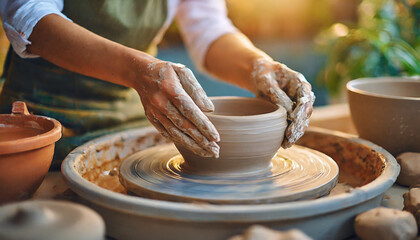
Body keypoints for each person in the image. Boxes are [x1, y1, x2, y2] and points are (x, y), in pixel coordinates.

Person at [0, 0, 315, 168]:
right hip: (45, 119)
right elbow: (30, 15)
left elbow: (209, 27)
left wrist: (258, 66)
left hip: (135, 112)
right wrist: (140, 71)